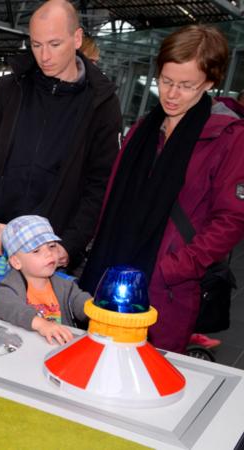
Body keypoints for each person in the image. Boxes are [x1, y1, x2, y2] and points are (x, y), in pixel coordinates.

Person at [80, 25, 244, 354]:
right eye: (166, 81)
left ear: (210, 82)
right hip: (110, 276)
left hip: (166, 290)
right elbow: (112, 194)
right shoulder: (144, 129)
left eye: (186, 86)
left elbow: (231, 218)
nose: (171, 94)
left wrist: (173, 268)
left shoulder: (228, 137)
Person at [0, 0, 122, 273]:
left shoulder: (101, 105)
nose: (44, 55)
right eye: (36, 44)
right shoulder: (8, 89)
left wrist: (69, 245)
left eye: (54, 44)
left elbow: (99, 184)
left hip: (50, 254)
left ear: (77, 38)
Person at [0, 215, 89, 345]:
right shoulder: (9, 288)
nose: (49, 253)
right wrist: (41, 324)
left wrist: (100, 308)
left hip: (58, 348)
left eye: (52, 246)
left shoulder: (67, 287)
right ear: (16, 262)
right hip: (22, 347)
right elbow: (3, 305)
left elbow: (84, 305)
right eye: (36, 250)